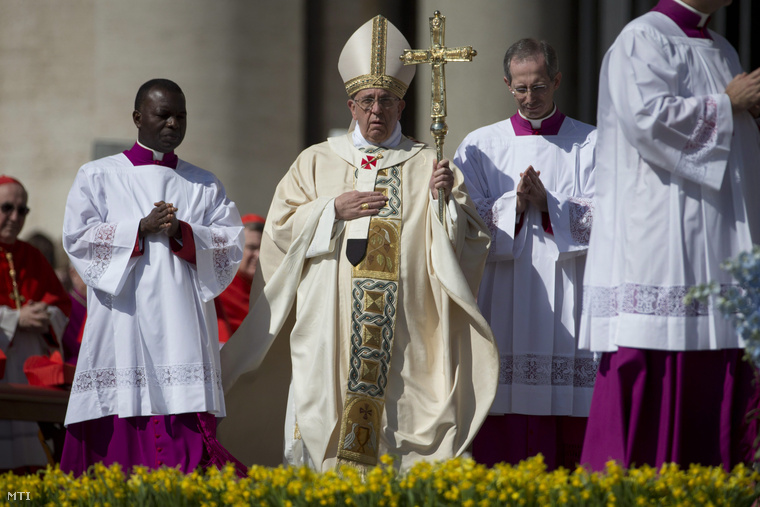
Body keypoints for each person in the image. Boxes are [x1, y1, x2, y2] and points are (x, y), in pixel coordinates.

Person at [220, 15, 498, 472]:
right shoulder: (315, 161)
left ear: (401, 105)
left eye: (387, 101)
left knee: (394, 431)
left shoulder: (427, 161)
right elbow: (280, 231)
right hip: (327, 324)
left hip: (404, 329)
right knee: (321, 417)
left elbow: (464, 240)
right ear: (351, 106)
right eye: (367, 101)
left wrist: (442, 201)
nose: (376, 111)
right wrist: (330, 211)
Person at [579, 0, 760, 471]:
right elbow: (647, 121)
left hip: (720, 236)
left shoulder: (722, 48)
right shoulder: (641, 39)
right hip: (663, 234)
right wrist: (727, 104)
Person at [60, 78, 246, 476]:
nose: (173, 124)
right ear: (137, 117)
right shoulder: (97, 175)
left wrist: (183, 233)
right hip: (122, 322)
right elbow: (77, 239)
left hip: (183, 326)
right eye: (163, 114)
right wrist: (138, 230)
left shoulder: (204, 183)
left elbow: (230, 246)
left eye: (180, 116)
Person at [454, 38, 597, 470]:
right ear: (506, 84)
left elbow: (612, 214)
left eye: (538, 87)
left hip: (571, 297)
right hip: (504, 294)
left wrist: (549, 205)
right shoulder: (480, 145)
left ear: (556, 81)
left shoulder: (591, 143)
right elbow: (464, 224)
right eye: (520, 89)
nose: (530, 98)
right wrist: (513, 204)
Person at [0, 176, 71, 473]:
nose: (16, 217)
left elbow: (62, 307)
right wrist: (15, 319)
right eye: (7, 208)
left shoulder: (33, 256)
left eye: (22, 210)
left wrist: (45, 316)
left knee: (28, 469)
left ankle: (22, 501)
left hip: (27, 375)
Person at [215, 213, 265, 344]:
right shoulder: (217, 289)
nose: (259, 255)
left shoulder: (271, 289)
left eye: (264, 248)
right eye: (252, 247)